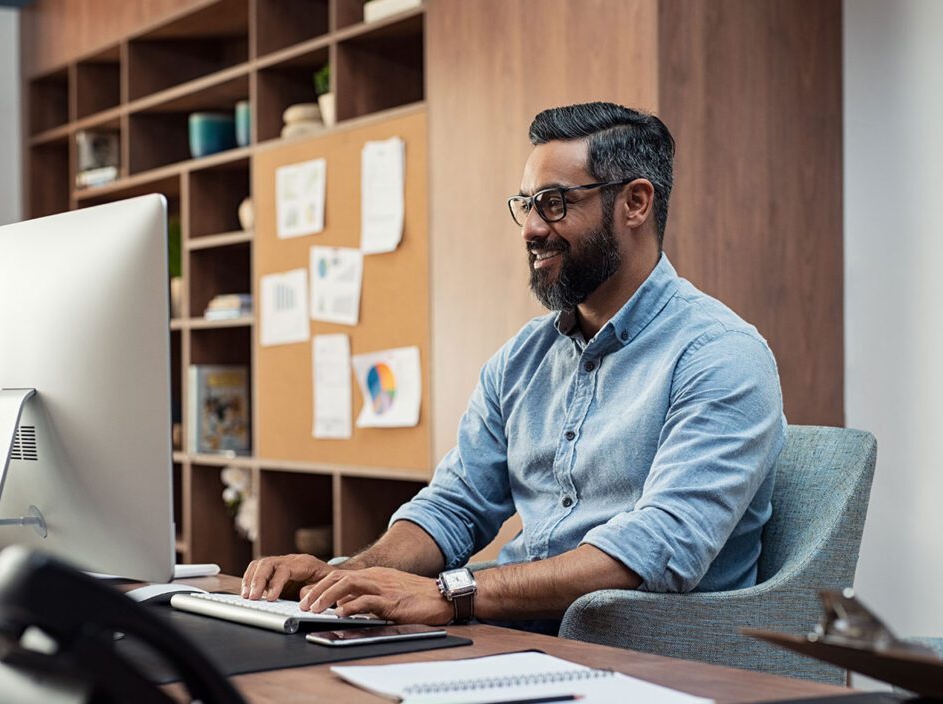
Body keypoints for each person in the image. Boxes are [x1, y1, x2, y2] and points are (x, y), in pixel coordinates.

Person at [241, 101, 785, 632]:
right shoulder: (522, 359)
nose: (529, 228)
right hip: (514, 635)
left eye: (553, 203)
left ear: (635, 203)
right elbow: (456, 505)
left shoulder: (720, 355)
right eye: (525, 205)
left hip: (648, 660)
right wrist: (349, 577)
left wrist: (452, 595)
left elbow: (659, 548)